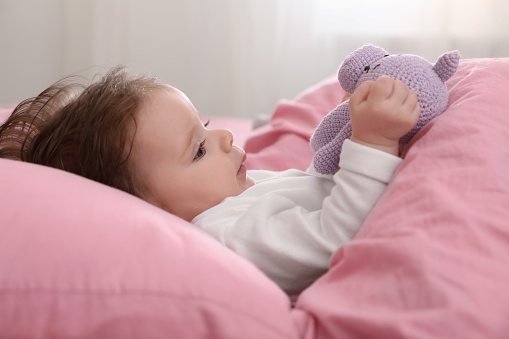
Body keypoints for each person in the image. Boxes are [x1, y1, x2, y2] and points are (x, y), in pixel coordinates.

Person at [0, 66, 420, 294]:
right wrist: (374, 142)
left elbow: (314, 190)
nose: (223, 136)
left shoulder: (235, 194)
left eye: (204, 125)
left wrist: (349, 126)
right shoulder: (227, 235)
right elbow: (334, 237)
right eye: (198, 149)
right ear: (150, 210)